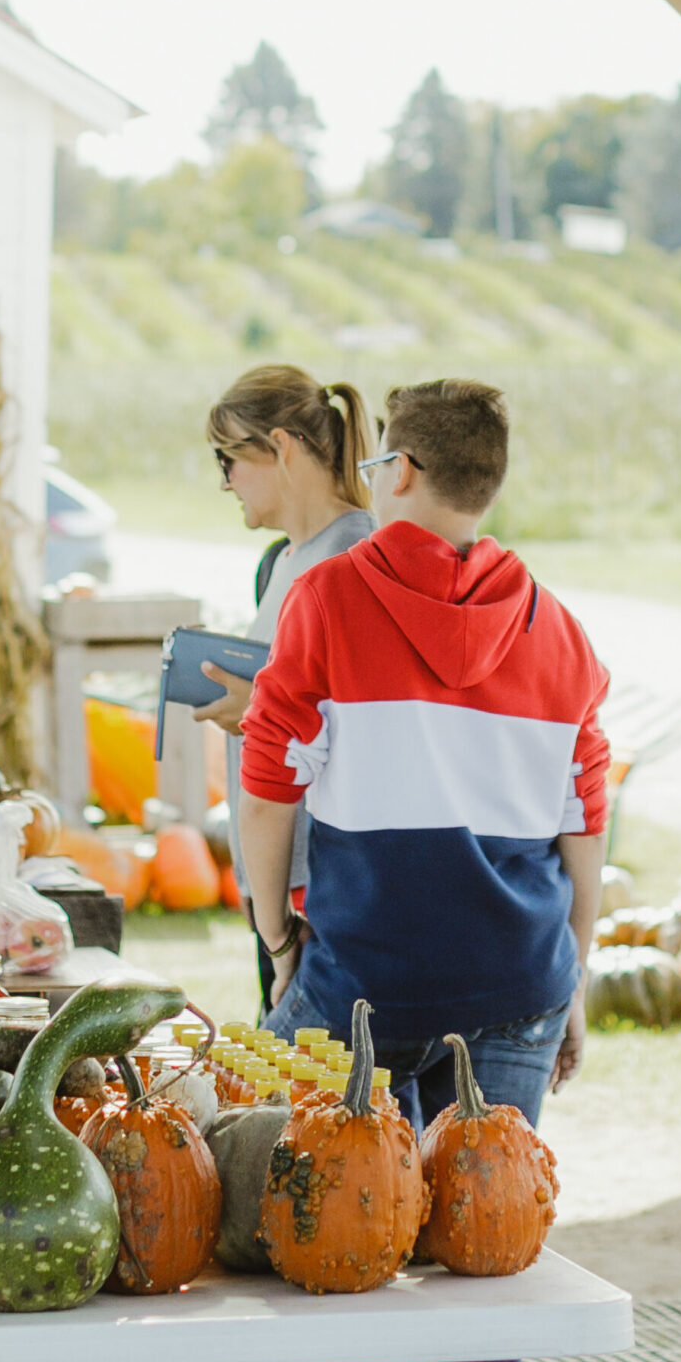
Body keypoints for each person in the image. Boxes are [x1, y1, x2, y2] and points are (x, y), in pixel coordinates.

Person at [239, 380, 608, 1362]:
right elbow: (584, 822)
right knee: (489, 1240)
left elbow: (268, 792)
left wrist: (277, 936)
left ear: (398, 470)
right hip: (515, 975)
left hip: (364, 975)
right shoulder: (559, 631)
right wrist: (571, 975)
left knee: (343, 1218)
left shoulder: (327, 599)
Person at [188, 367, 376, 1010]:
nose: (224, 481)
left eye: (229, 458)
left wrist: (257, 710)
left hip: (313, 888)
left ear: (282, 447)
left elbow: (365, 721)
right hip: (277, 880)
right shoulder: (286, 559)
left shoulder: (351, 557)